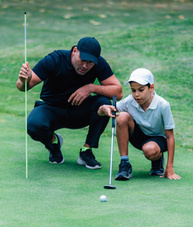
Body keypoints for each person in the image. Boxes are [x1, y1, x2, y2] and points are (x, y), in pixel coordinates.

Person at [17, 37, 122, 169]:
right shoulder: (55, 59)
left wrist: (91, 87)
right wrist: (23, 79)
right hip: (52, 110)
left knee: (105, 103)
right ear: (75, 51)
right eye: (83, 60)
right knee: (34, 125)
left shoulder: (99, 63)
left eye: (90, 62)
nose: (85, 66)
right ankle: (53, 144)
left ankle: (86, 151)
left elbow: (118, 92)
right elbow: (23, 87)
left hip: (79, 112)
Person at [98, 68, 181, 180]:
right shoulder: (129, 101)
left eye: (141, 90)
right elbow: (109, 110)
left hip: (159, 139)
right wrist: (103, 108)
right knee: (122, 116)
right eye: (133, 90)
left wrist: (170, 167)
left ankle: (157, 159)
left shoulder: (163, 105)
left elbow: (170, 137)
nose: (136, 95)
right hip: (139, 138)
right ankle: (124, 164)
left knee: (150, 150)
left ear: (151, 88)